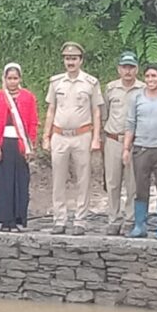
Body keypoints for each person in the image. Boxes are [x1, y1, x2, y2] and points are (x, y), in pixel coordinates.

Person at [43, 42, 103, 236]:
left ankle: (80, 220)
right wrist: (46, 135)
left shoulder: (91, 83)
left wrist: (96, 138)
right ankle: (59, 219)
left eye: (74, 58)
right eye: (68, 58)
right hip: (59, 135)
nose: (70, 62)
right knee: (58, 179)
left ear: (81, 60)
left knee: (83, 179)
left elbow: (96, 111)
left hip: (82, 135)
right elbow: (51, 110)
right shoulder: (56, 82)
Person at [122, 63, 157, 239]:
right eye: (148, 76)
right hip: (141, 148)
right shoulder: (136, 97)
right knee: (141, 188)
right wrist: (126, 148)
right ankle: (139, 225)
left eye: (154, 76)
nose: (151, 80)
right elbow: (130, 123)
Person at [0, 63, 39, 232]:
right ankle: (4, 219)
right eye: (9, 78)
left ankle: (19, 218)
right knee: (3, 181)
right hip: (4, 142)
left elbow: (33, 121)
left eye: (15, 78)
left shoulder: (28, 97)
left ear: (20, 79)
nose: (12, 82)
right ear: (4, 79)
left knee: (20, 180)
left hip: (21, 144)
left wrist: (30, 145)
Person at [102, 51, 145, 236]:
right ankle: (113, 218)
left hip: (135, 141)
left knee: (132, 183)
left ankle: (129, 219)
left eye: (131, 67)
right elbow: (105, 113)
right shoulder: (111, 88)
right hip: (112, 139)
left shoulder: (143, 89)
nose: (128, 71)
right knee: (112, 182)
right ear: (119, 69)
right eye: (124, 67)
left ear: (137, 69)